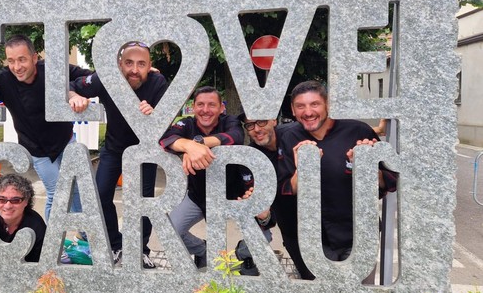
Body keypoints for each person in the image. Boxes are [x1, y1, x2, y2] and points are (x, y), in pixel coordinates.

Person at [0, 34, 93, 222]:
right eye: (11, 61)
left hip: (65, 140)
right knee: (57, 194)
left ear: (34, 58)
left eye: (22, 59)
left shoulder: (51, 69)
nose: (17, 67)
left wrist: (72, 92)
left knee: (77, 191)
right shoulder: (4, 79)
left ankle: (84, 237)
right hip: (36, 149)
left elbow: (89, 77)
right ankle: (54, 248)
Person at [68, 41, 167, 269]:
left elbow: (168, 121)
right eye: (129, 63)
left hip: (144, 151)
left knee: (143, 202)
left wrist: (154, 115)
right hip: (113, 149)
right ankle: (115, 245)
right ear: (119, 64)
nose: (135, 69)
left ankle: (140, 249)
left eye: (141, 64)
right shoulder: (107, 78)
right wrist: (74, 96)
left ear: (150, 65)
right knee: (100, 196)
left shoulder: (157, 81)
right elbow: (71, 85)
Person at [278, 80, 398, 264]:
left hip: (359, 234)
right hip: (314, 238)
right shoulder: (289, 137)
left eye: (315, 104)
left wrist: (366, 169)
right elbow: (288, 189)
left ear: (328, 105)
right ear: (293, 111)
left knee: (361, 291)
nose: (308, 112)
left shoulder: (359, 131)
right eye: (300, 106)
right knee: (320, 292)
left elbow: (390, 181)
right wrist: (303, 169)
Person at [159, 86, 245, 268]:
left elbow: (235, 137)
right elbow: (165, 139)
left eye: (211, 105)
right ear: (193, 106)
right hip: (197, 196)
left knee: (265, 234)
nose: (205, 110)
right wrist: (188, 147)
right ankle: (201, 250)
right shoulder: (186, 124)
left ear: (221, 108)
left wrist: (197, 144)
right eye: (200, 104)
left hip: (234, 196)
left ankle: (244, 259)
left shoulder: (230, 121)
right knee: (169, 230)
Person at [237, 114, 313, 279]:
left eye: (261, 121)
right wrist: (263, 215)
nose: (257, 129)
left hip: (328, 224)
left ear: (274, 120)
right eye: (250, 125)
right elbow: (267, 216)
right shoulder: (251, 158)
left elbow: (331, 135)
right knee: (309, 280)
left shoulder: (296, 132)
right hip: (292, 230)